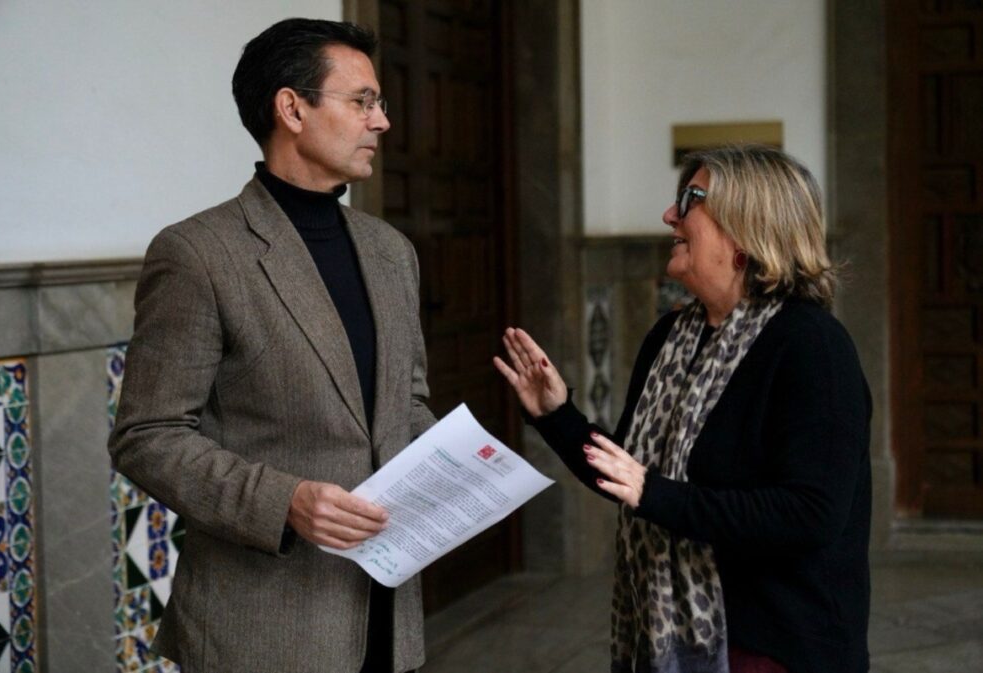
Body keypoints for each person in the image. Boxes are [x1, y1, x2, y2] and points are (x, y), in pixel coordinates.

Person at [110, 18, 436, 673]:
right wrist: (284, 500)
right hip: (263, 630)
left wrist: (451, 473)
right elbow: (147, 434)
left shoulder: (391, 252)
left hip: (386, 619)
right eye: (362, 101)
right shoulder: (198, 253)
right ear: (291, 107)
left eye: (381, 104)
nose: (382, 123)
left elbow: (410, 400)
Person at [494, 145, 871, 673]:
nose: (670, 215)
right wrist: (556, 415)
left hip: (775, 646)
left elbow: (811, 515)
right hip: (662, 634)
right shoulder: (672, 335)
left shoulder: (810, 346)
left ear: (746, 230)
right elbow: (630, 477)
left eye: (690, 199)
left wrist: (657, 494)